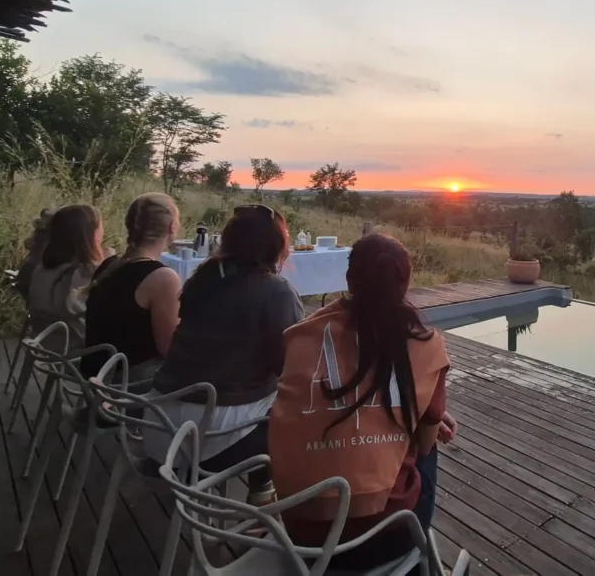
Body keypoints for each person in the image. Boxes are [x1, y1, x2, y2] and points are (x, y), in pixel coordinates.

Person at [269, 233, 454, 568]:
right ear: (406, 282)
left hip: (300, 530)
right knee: (429, 443)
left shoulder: (300, 337)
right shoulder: (425, 345)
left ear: (349, 279)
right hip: (382, 536)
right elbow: (424, 447)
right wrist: (425, 415)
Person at [145, 204, 305, 504]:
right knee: (298, 408)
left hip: (158, 426)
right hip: (208, 441)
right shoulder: (275, 291)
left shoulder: (201, 279)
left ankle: (261, 490)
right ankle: (262, 497)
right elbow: (291, 366)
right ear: (277, 246)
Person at [81, 193, 182, 379]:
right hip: (127, 386)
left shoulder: (110, 264)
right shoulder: (162, 278)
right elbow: (170, 350)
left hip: (95, 375)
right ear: (172, 226)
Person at [26, 205, 104, 343]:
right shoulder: (86, 273)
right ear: (90, 234)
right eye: (100, 227)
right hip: (85, 352)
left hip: (49, 346)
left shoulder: (41, 269)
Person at [15, 207, 57, 300]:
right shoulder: (53, 236)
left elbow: (28, 244)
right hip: (39, 271)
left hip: (29, 267)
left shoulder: (39, 232)